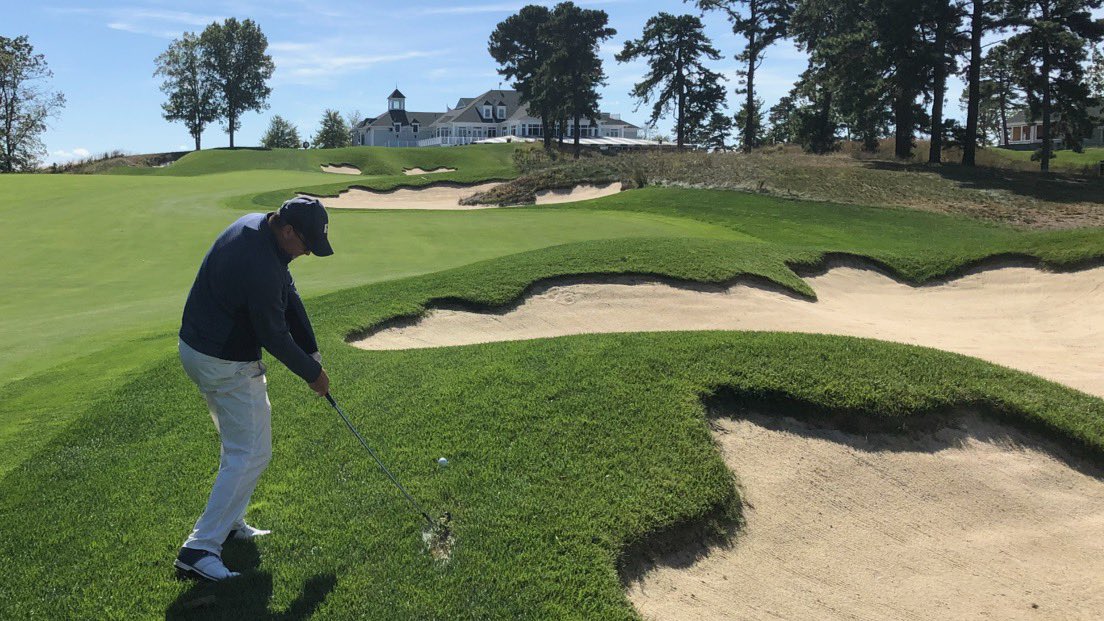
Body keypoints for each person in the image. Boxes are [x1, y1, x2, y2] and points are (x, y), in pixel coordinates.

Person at [174, 197, 334, 582]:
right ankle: (199, 548)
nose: (308, 251)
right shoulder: (259, 264)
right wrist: (312, 375)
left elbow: (290, 297)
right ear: (289, 230)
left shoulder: (258, 228)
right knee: (252, 452)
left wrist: (312, 352)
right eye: (307, 244)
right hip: (223, 360)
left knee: (240, 446)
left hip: (201, 348)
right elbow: (274, 335)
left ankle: (229, 524)